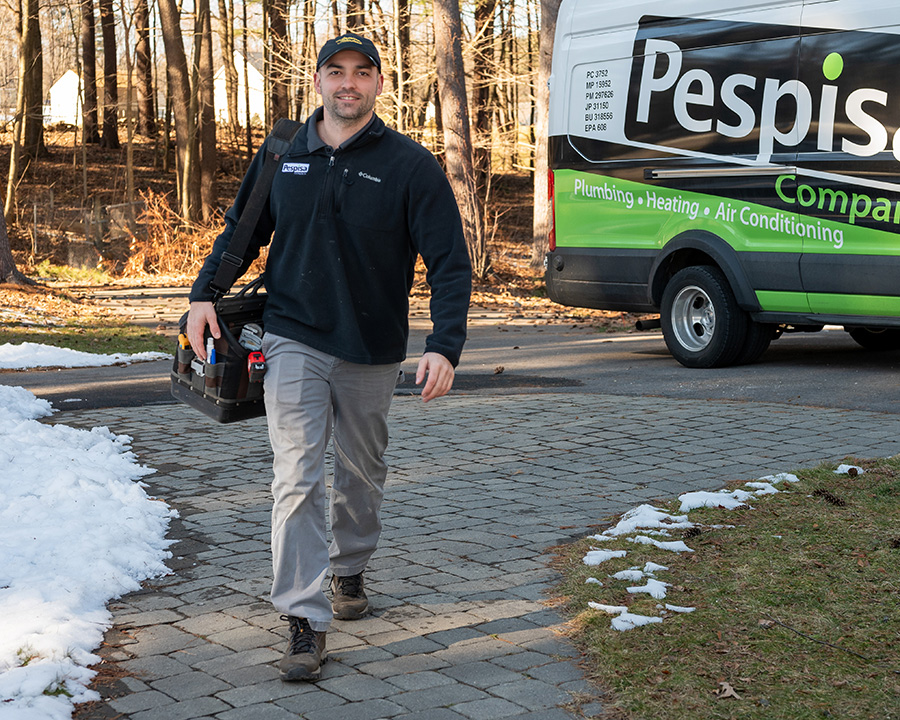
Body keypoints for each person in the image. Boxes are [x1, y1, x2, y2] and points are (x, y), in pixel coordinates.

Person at [186, 32, 471, 682]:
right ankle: (303, 621)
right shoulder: (286, 150)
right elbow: (241, 229)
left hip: (372, 348)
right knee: (297, 476)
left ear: (378, 83)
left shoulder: (408, 165)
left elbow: (450, 263)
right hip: (292, 336)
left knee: (361, 473)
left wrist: (444, 345)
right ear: (318, 81)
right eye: (336, 71)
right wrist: (204, 296)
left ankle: (349, 567)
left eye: (362, 72)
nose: (349, 83)